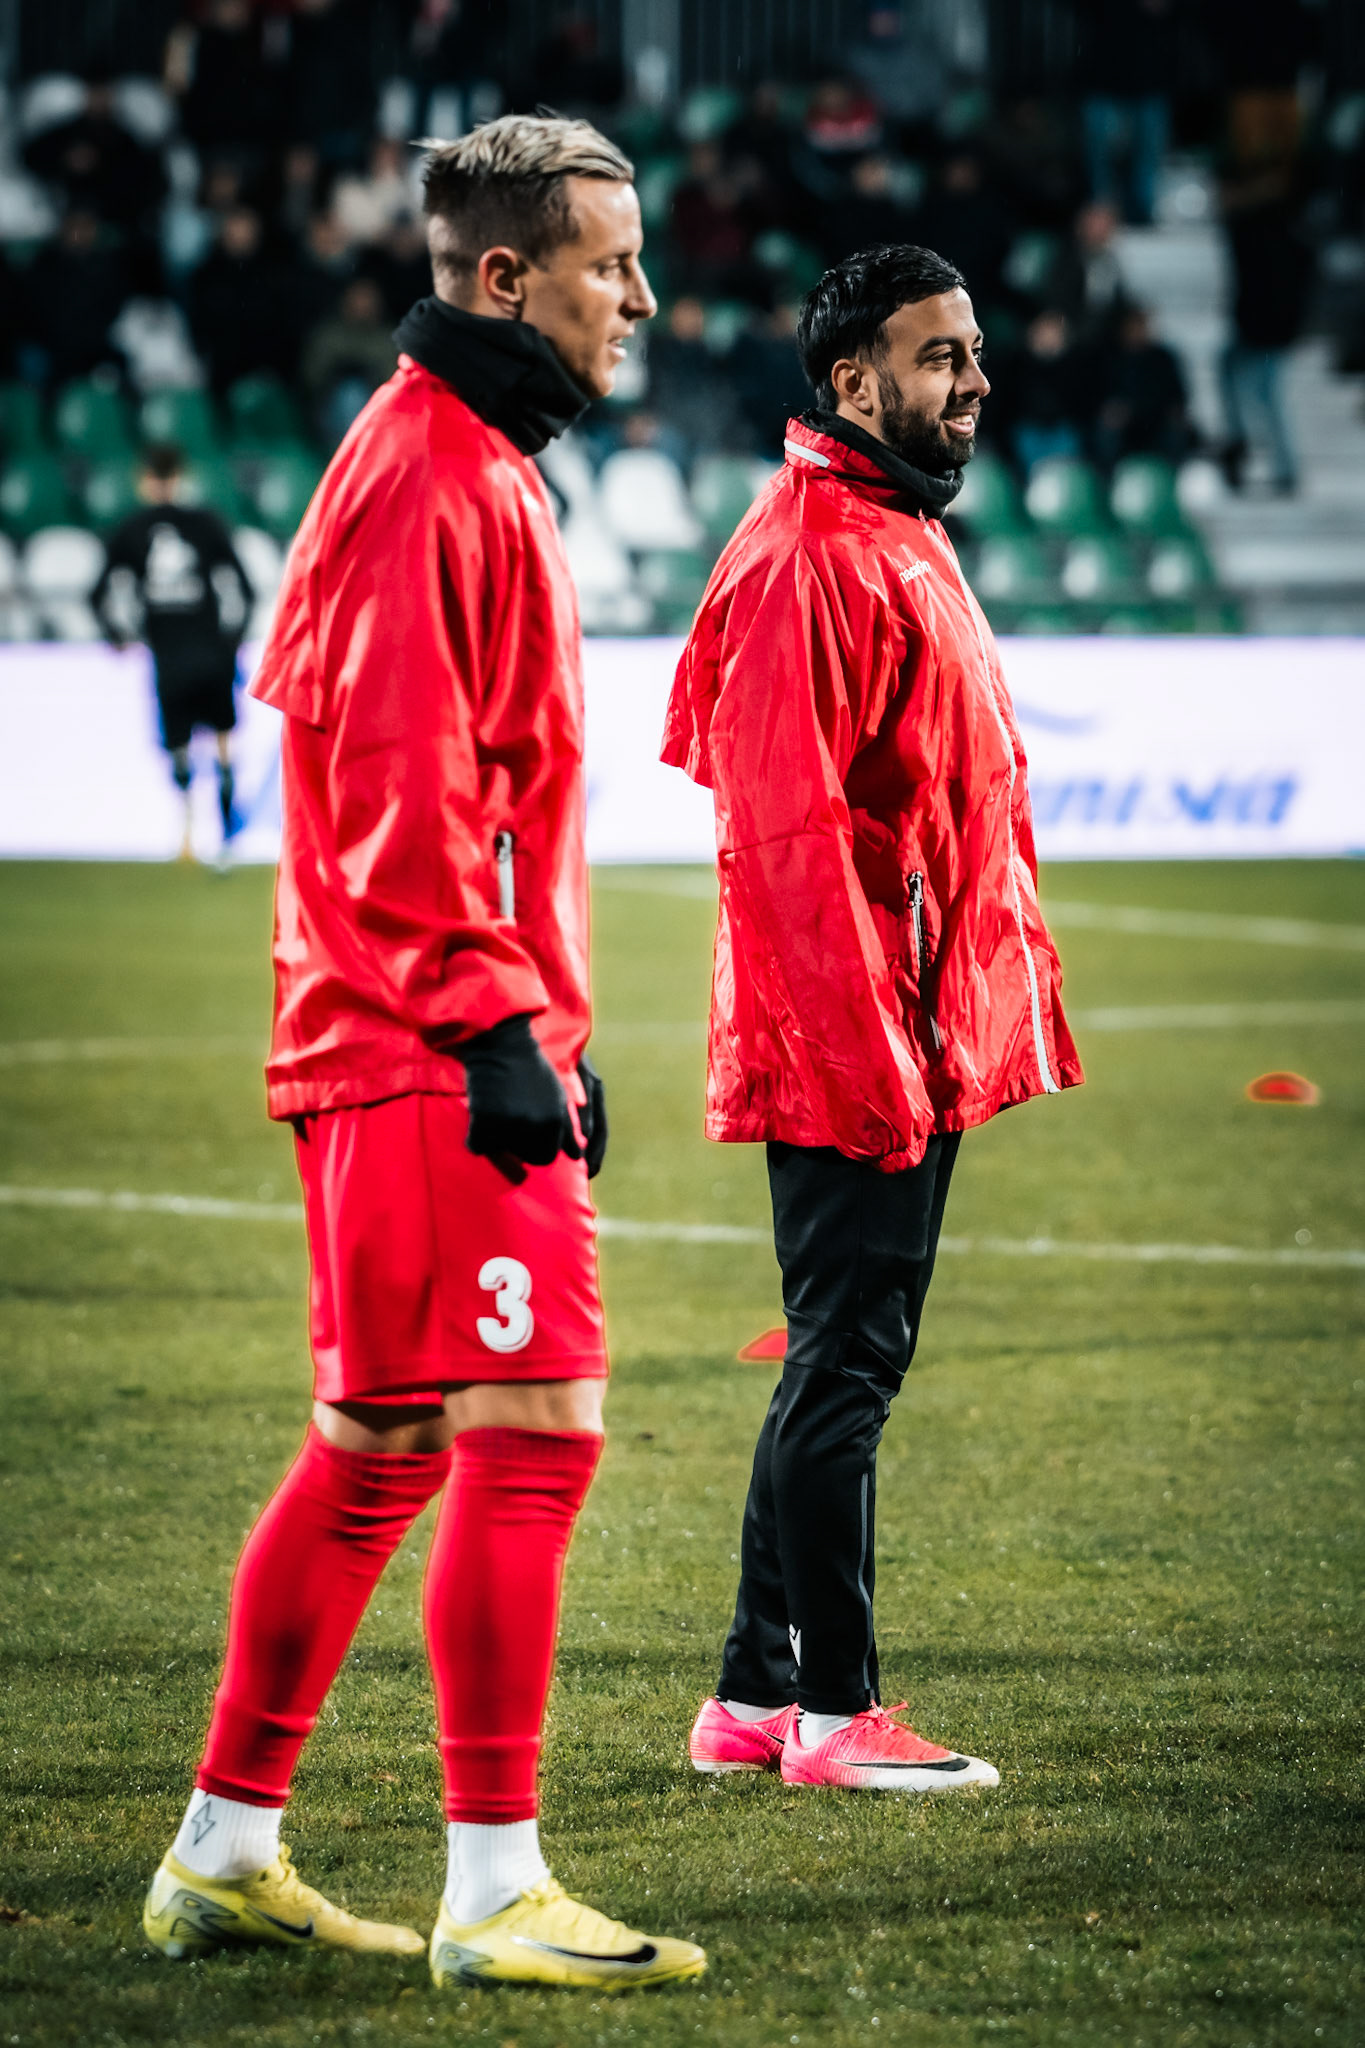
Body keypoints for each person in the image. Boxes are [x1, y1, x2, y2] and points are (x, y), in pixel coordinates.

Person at [141, 114, 705, 1995]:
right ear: (500, 276)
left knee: (380, 1449)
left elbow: (461, 783)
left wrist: (545, 1009)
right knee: (531, 1435)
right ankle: (494, 1880)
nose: (643, 294)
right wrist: (492, 1018)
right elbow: (393, 793)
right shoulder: (429, 475)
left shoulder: (457, 463)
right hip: (415, 1046)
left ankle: (224, 1848)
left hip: (411, 1035)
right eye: (612, 261)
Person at [663, 244, 1082, 1793]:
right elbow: (787, 849)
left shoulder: (887, 524)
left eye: (972, 351)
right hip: (850, 1040)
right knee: (847, 1370)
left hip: (903, 1025)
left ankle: (749, 1697)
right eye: (940, 356)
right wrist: (874, 1057)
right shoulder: (808, 554)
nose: (973, 378)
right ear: (853, 384)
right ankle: (838, 1717)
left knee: (835, 1358)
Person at [90, 443, 252, 866]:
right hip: (213, 653)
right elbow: (243, 586)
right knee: (222, 744)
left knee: (179, 746)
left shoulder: (132, 528)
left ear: (143, 479)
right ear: (181, 475)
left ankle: (187, 837)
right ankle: (227, 838)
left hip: (169, 656)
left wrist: (118, 636)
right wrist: (233, 638)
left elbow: (99, 591)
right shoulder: (205, 522)